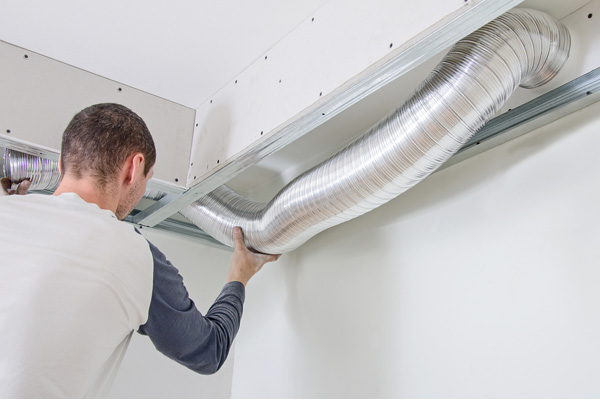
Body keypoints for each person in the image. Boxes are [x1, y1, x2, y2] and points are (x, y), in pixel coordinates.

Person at [0, 103, 280, 397]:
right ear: (134, 168)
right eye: (148, 179)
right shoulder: (135, 255)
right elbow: (209, 352)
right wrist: (239, 276)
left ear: (60, 163)